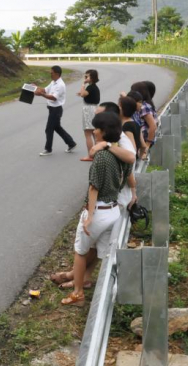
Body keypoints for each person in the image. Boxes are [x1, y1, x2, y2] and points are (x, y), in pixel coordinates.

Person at [50, 112, 130, 306]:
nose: (93, 131)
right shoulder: (120, 155)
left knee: (80, 251)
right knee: (97, 249)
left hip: (99, 211)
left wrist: (89, 216)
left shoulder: (102, 157)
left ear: (103, 132)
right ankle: (85, 280)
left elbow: (94, 188)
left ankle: (77, 293)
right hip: (113, 211)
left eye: (96, 128)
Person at [34, 65, 76, 156]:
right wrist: (35, 87)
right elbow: (45, 90)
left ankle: (48, 149)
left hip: (56, 110)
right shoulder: (53, 82)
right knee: (57, 128)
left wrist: (41, 94)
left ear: (57, 74)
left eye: (51, 73)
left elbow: (53, 98)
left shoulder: (60, 85)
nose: (50, 74)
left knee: (49, 129)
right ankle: (71, 143)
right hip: (52, 109)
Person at [77, 69, 100, 162]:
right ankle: (97, 153)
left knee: (88, 133)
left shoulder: (90, 87)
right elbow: (85, 94)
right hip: (94, 109)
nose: (85, 78)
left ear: (92, 77)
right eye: (85, 76)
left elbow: (83, 94)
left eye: (87, 76)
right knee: (95, 133)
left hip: (89, 109)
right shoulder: (94, 87)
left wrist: (83, 84)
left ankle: (90, 155)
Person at [130, 82, 158, 159]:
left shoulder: (143, 107)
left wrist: (147, 145)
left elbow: (153, 126)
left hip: (144, 141)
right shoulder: (147, 104)